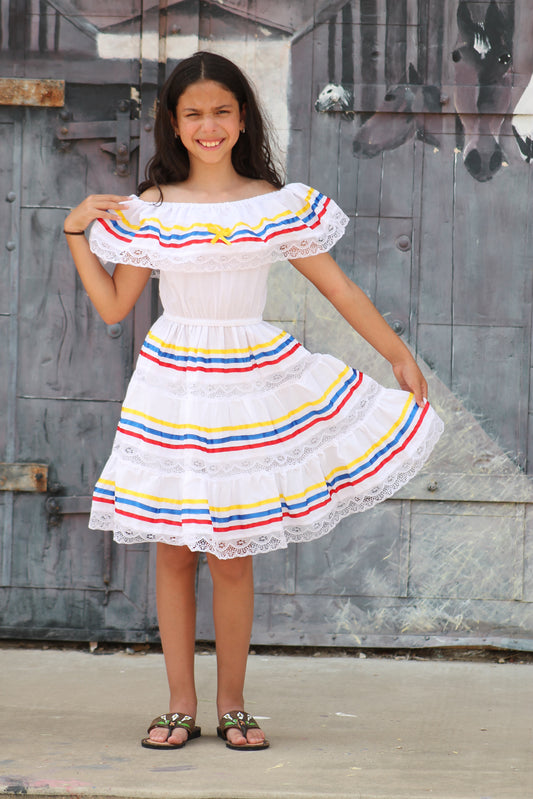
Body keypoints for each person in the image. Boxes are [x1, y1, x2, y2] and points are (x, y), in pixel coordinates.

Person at [64, 51, 443, 752]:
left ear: (242, 119)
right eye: (193, 114)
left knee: (233, 549)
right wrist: (75, 236)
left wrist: (394, 352)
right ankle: (180, 702)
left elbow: (339, 289)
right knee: (175, 549)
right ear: (174, 126)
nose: (208, 126)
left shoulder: (272, 202)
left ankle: (234, 704)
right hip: (173, 384)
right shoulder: (150, 210)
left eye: (221, 111)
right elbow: (117, 306)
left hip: (247, 381)